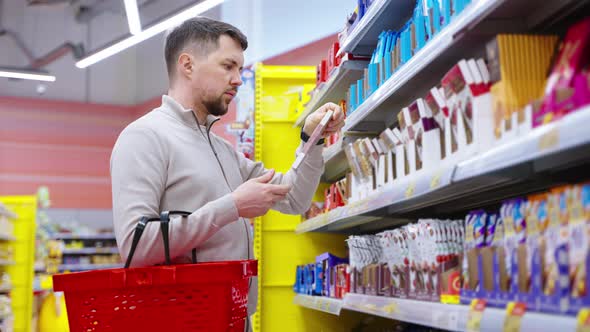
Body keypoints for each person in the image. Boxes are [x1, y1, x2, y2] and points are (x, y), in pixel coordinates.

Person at [109, 16, 344, 330]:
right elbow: (135, 247)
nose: (238, 78)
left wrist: (312, 139)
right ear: (188, 65)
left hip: (235, 319)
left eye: (240, 68)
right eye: (228, 66)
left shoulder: (222, 149)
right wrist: (232, 207)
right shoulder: (145, 137)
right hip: (179, 321)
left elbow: (294, 198)